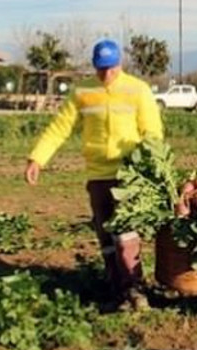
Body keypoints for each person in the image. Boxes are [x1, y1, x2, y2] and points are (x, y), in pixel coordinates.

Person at [24, 39, 163, 310]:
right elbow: (59, 128)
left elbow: (153, 133)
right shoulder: (83, 92)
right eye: (101, 69)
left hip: (129, 175)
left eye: (110, 68)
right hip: (97, 175)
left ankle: (135, 289)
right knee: (106, 235)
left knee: (126, 234)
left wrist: (149, 166)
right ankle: (116, 289)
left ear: (119, 64)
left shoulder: (138, 90)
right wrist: (37, 158)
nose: (106, 75)